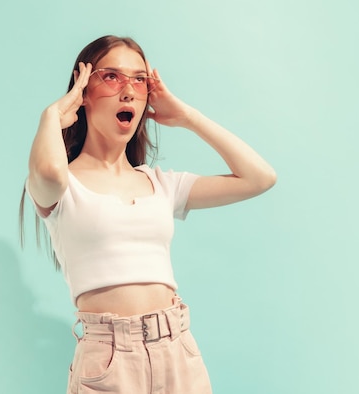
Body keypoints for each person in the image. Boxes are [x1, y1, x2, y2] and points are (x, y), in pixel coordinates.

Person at [20, 35, 276, 394]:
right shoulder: (63, 186)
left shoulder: (161, 184)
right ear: (83, 92)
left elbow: (260, 178)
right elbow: (46, 172)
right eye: (112, 77)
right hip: (108, 361)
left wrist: (188, 117)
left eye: (139, 80)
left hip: (178, 350)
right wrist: (52, 116)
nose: (128, 91)